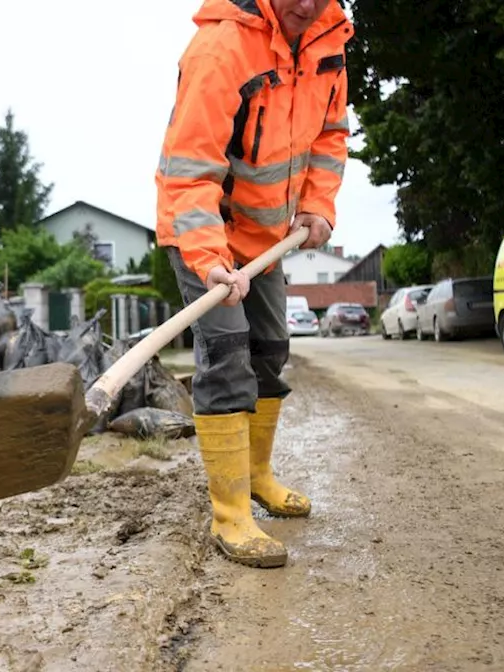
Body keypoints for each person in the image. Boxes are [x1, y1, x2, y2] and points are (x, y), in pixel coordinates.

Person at [154, 0, 354, 568]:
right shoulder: (221, 50)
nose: (305, 5)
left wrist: (317, 205)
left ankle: (259, 475)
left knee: (270, 351)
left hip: (269, 238)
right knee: (227, 355)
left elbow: (331, 134)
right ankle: (231, 513)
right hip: (205, 231)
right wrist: (208, 256)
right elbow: (188, 168)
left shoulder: (329, 41)